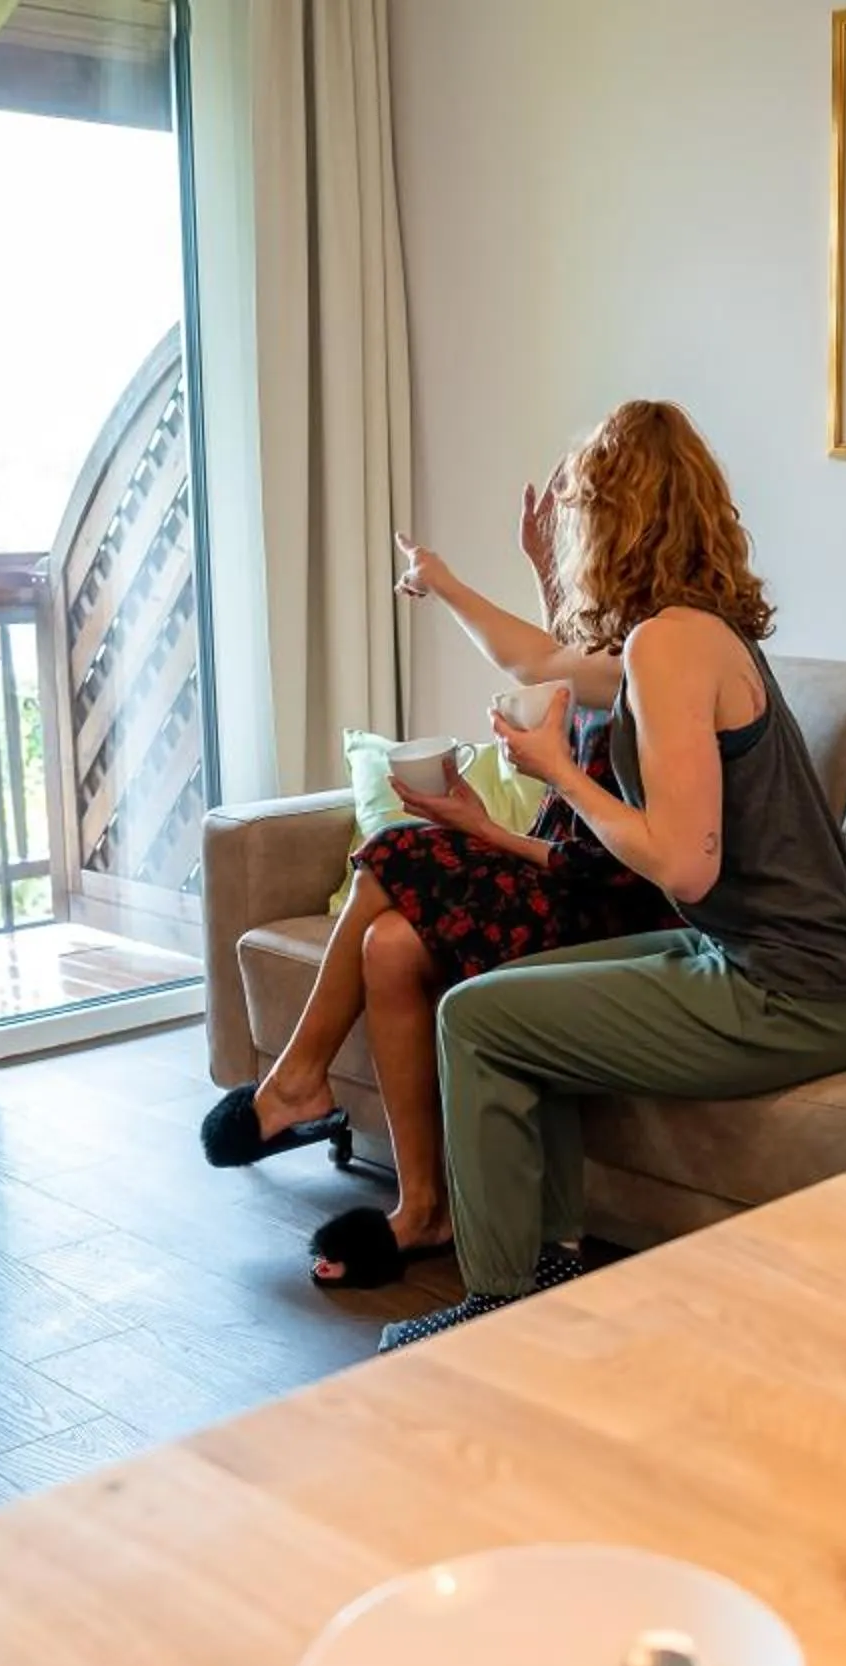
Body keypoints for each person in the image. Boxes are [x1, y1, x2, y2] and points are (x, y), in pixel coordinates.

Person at [376, 400, 846, 1351]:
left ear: (617, 517)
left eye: (580, 510)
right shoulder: (678, 635)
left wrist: (563, 774)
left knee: (471, 1018)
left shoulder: (671, 645)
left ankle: (496, 1305)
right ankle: (557, 1254)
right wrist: (443, 583)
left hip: (799, 989)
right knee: (504, 994)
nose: (573, 531)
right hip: (780, 962)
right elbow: (536, 656)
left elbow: (684, 865)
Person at [197, 482, 673, 1289]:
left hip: (609, 910)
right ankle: (424, 1209)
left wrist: (442, 580)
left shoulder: (664, 659)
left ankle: (298, 1076)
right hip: (561, 873)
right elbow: (564, 663)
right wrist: (542, 570)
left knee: (397, 849)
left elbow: (612, 860)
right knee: (388, 943)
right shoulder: (618, 639)